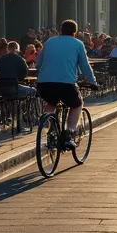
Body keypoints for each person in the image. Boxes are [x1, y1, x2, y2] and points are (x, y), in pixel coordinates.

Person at [36, 20, 98, 150]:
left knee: (51, 102)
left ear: (60, 30)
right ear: (75, 33)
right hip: (66, 84)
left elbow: (38, 64)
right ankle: (70, 133)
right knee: (77, 104)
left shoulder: (49, 42)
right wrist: (92, 81)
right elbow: (85, 66)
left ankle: (49, 125)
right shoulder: (78, 44)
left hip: (44, 84)